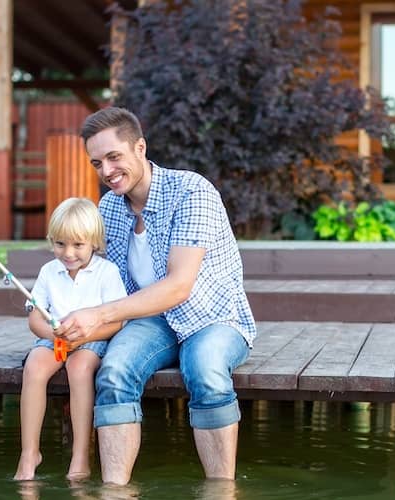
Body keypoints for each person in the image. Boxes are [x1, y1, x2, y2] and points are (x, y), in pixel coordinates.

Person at [58, 107, 257, 485]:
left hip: (212, 316)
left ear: (140, 148)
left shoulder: (191, 191)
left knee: (206, 370)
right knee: (114, 372)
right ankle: (115, 492)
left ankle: (220, 491)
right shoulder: (108, 209)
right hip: (150, 321)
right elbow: (95, 278)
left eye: (114, 157)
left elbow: (179, 286)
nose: (106, 171)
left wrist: (98, 315)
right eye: (97, 163)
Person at [14, 197, 127, 481]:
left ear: (94, 243)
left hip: (93, 339)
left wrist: (87, 334)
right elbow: (35, 317)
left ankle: (80, 455)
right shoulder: (48, 272)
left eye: (78, 245)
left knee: (79, 369)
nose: (68, 253)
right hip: (55, 339)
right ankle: (29, 453)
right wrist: (52, 334)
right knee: (34, 368)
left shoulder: (106, 272)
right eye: (61, 244)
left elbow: (118, 321)